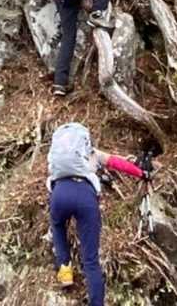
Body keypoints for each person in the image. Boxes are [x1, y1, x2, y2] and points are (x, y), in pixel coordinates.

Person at [47, 121, 147, 304]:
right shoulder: (91, 153)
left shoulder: (58, 159)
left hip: (59, 193)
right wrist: (141, 173)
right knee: (91, 260)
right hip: (85, 197)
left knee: (58, 225)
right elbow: (116, 163)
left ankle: (65, 269)